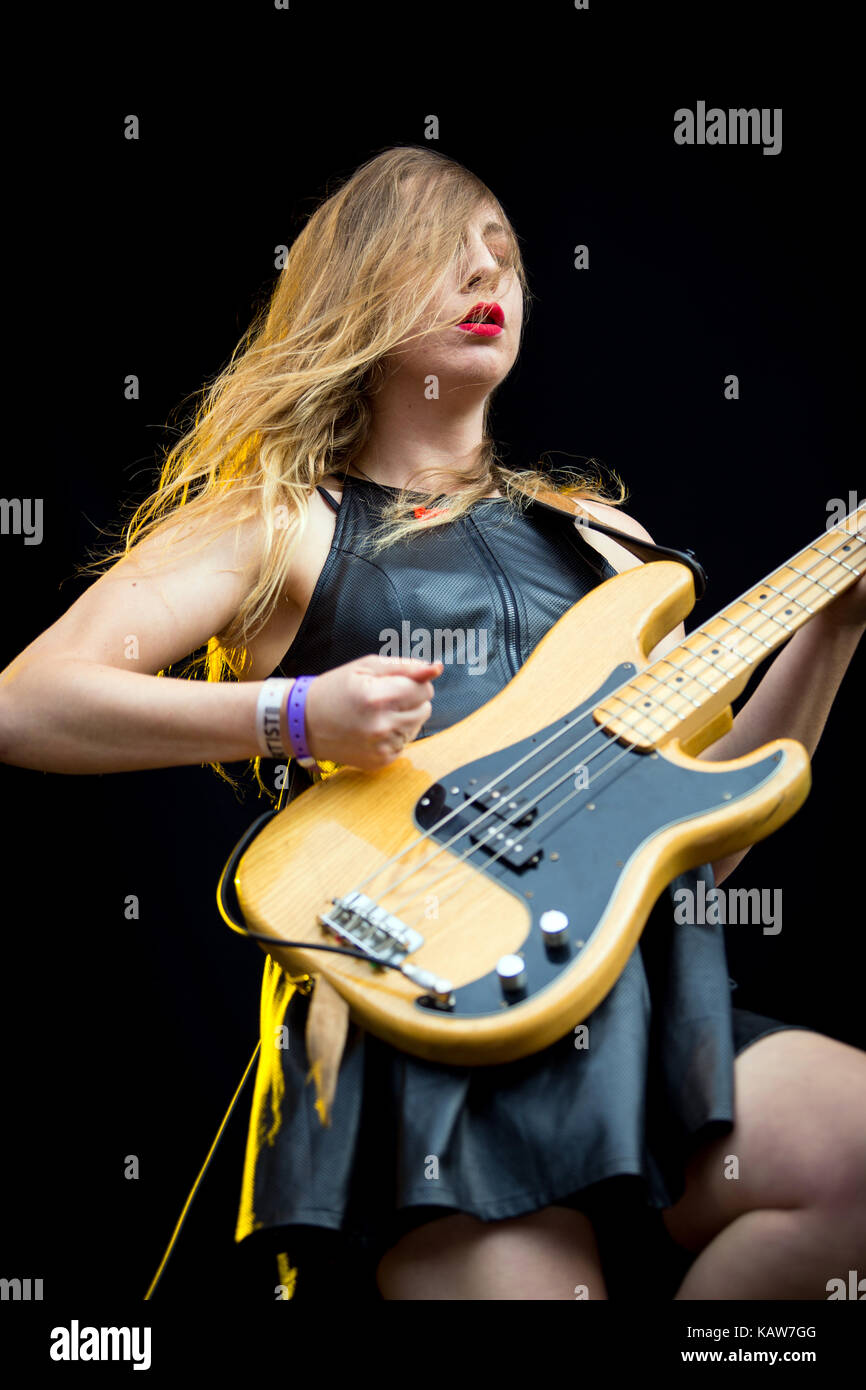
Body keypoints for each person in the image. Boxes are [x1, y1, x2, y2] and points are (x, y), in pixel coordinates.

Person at [1, 146, 863, 1302]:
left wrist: (833, 630)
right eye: (442, 251)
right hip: (415, 1006)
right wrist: (298, 713)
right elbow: (28, 699)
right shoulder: (276, 518)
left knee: (848, 1164)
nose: (484, 270)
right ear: (353, 291)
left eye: (501, 252)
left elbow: (691, 848)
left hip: (618, 994)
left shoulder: (605, 540)